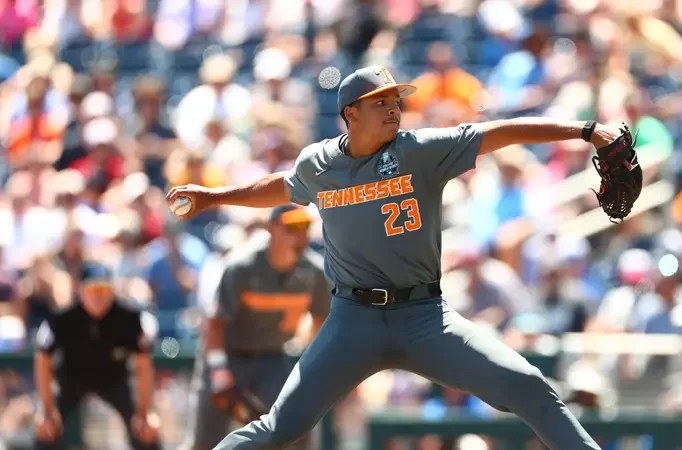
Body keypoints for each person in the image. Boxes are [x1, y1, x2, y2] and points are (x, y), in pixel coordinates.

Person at [167, 65, 625, 450]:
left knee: (529, 387)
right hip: (353, 320)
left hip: (426, 318)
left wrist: (585, 131)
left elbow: (500, 132)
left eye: (396, 100)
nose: (393, 108)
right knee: (280, 427)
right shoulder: (319, 163)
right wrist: (214, 196)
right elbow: (283, 186)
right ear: (351, 113)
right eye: (380, 101)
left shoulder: (422, 150)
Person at [184, 204, 330, 450]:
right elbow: (215, 323)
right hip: (228, 357)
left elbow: (321, 319)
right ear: (272, 229)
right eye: (292, 226)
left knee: (298, 423)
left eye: (305, 226)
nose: (301, 233)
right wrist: (219, 370)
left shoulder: (314, 272)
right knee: (206, 441)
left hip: (272, 358)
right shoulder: (242, 266)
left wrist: (306, 357)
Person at [33, 262, 161, 450]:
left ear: (113, 290)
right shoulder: (62, 319)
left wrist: (145, 412)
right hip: (71, 379)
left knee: (145, 430)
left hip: (115, 380)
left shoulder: (130, 319)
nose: (99, 296)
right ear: (80, 290)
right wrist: (46, 409)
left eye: (104, 288)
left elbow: (143, 366)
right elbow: (42, 360)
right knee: (46, 430)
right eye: (93, 289)